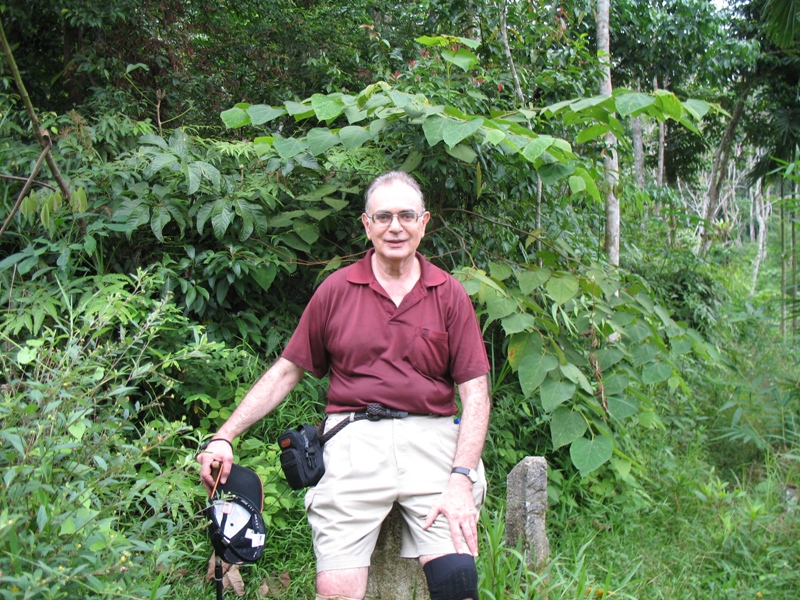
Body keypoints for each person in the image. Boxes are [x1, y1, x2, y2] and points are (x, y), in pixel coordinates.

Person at [197, 171, 491, 600]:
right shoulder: (336, 290)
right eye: (384, 216)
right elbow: (286, 371)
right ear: (366, 225)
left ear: (424, 223)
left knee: (458, 585)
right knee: (335, 592)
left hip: (434, 445)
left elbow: (476, 393)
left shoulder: (449, 293)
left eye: (407, 215)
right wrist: (224, 435)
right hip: (354, 440)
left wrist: (462, 477)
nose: (396, 227)